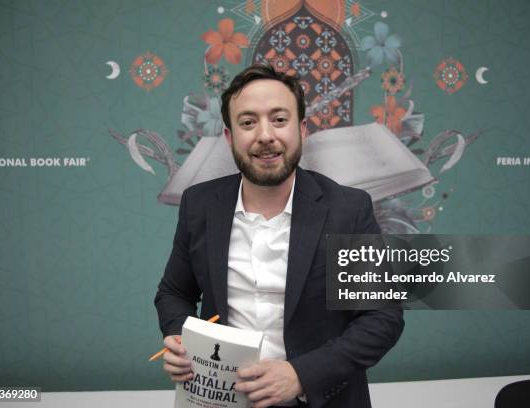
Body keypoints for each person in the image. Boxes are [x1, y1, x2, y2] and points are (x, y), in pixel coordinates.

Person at [154, 64, 404, 408]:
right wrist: (182, 338)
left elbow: (382, 316)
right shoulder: (199, 205)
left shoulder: (349, 210)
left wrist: (301, 374)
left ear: (301, 129)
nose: (265, 135)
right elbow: (174, 292)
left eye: (279, 119)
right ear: (229, 137)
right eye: (247, 122)